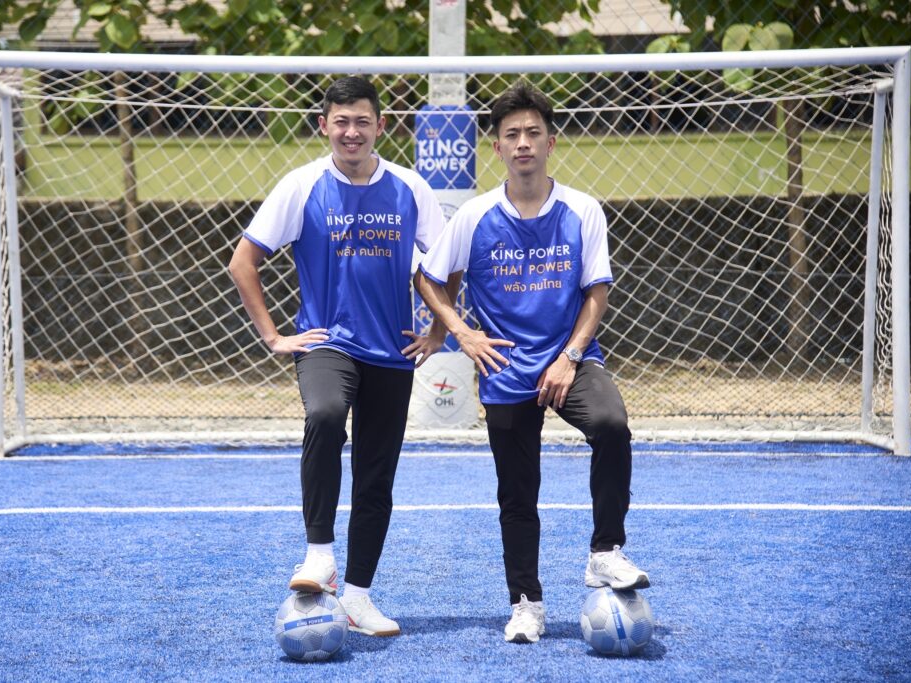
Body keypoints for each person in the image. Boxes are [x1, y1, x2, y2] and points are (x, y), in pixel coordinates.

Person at [415, 80, 649, 645]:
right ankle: (526, 604)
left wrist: (570, 356)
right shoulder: (474, 216)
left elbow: (596, 293)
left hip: (571, 358)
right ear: (497, 147)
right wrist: (461, 334)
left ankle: (605, 551)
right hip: (505, 368)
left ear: (551, 142)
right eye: (512, 134)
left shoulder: (582, 210)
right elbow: (429, 277)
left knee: (612, 425)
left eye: (533, 133)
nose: (523, 143)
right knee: (517, 494)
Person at [228, 76, 454, 637]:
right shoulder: (301, 185)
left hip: (393, 351)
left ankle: (358, 598)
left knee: (376, 476)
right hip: (326, 342)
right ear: (323, 125)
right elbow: (242, 262)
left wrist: (438, 334)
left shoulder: (409, 187)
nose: (352, 132)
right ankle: (319, 555)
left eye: (362, 122)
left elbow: (446, 263)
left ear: (381, 126)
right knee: (325, 415)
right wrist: (274, 337)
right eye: (341, 122)